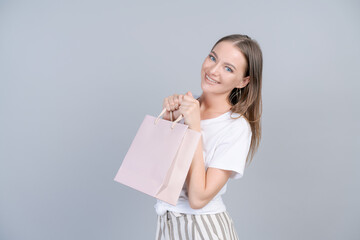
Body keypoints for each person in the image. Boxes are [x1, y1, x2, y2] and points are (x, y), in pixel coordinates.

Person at [154, 34, 263, 240]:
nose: (213, 70)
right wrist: (169, 120)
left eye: (228, 68)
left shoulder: (235, 127)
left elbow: (197, 198)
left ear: (243, 81)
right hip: (168, 225)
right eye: (213, 58)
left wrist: (194, 127)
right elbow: (158, 178)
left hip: (203, 230)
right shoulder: (187, 107)